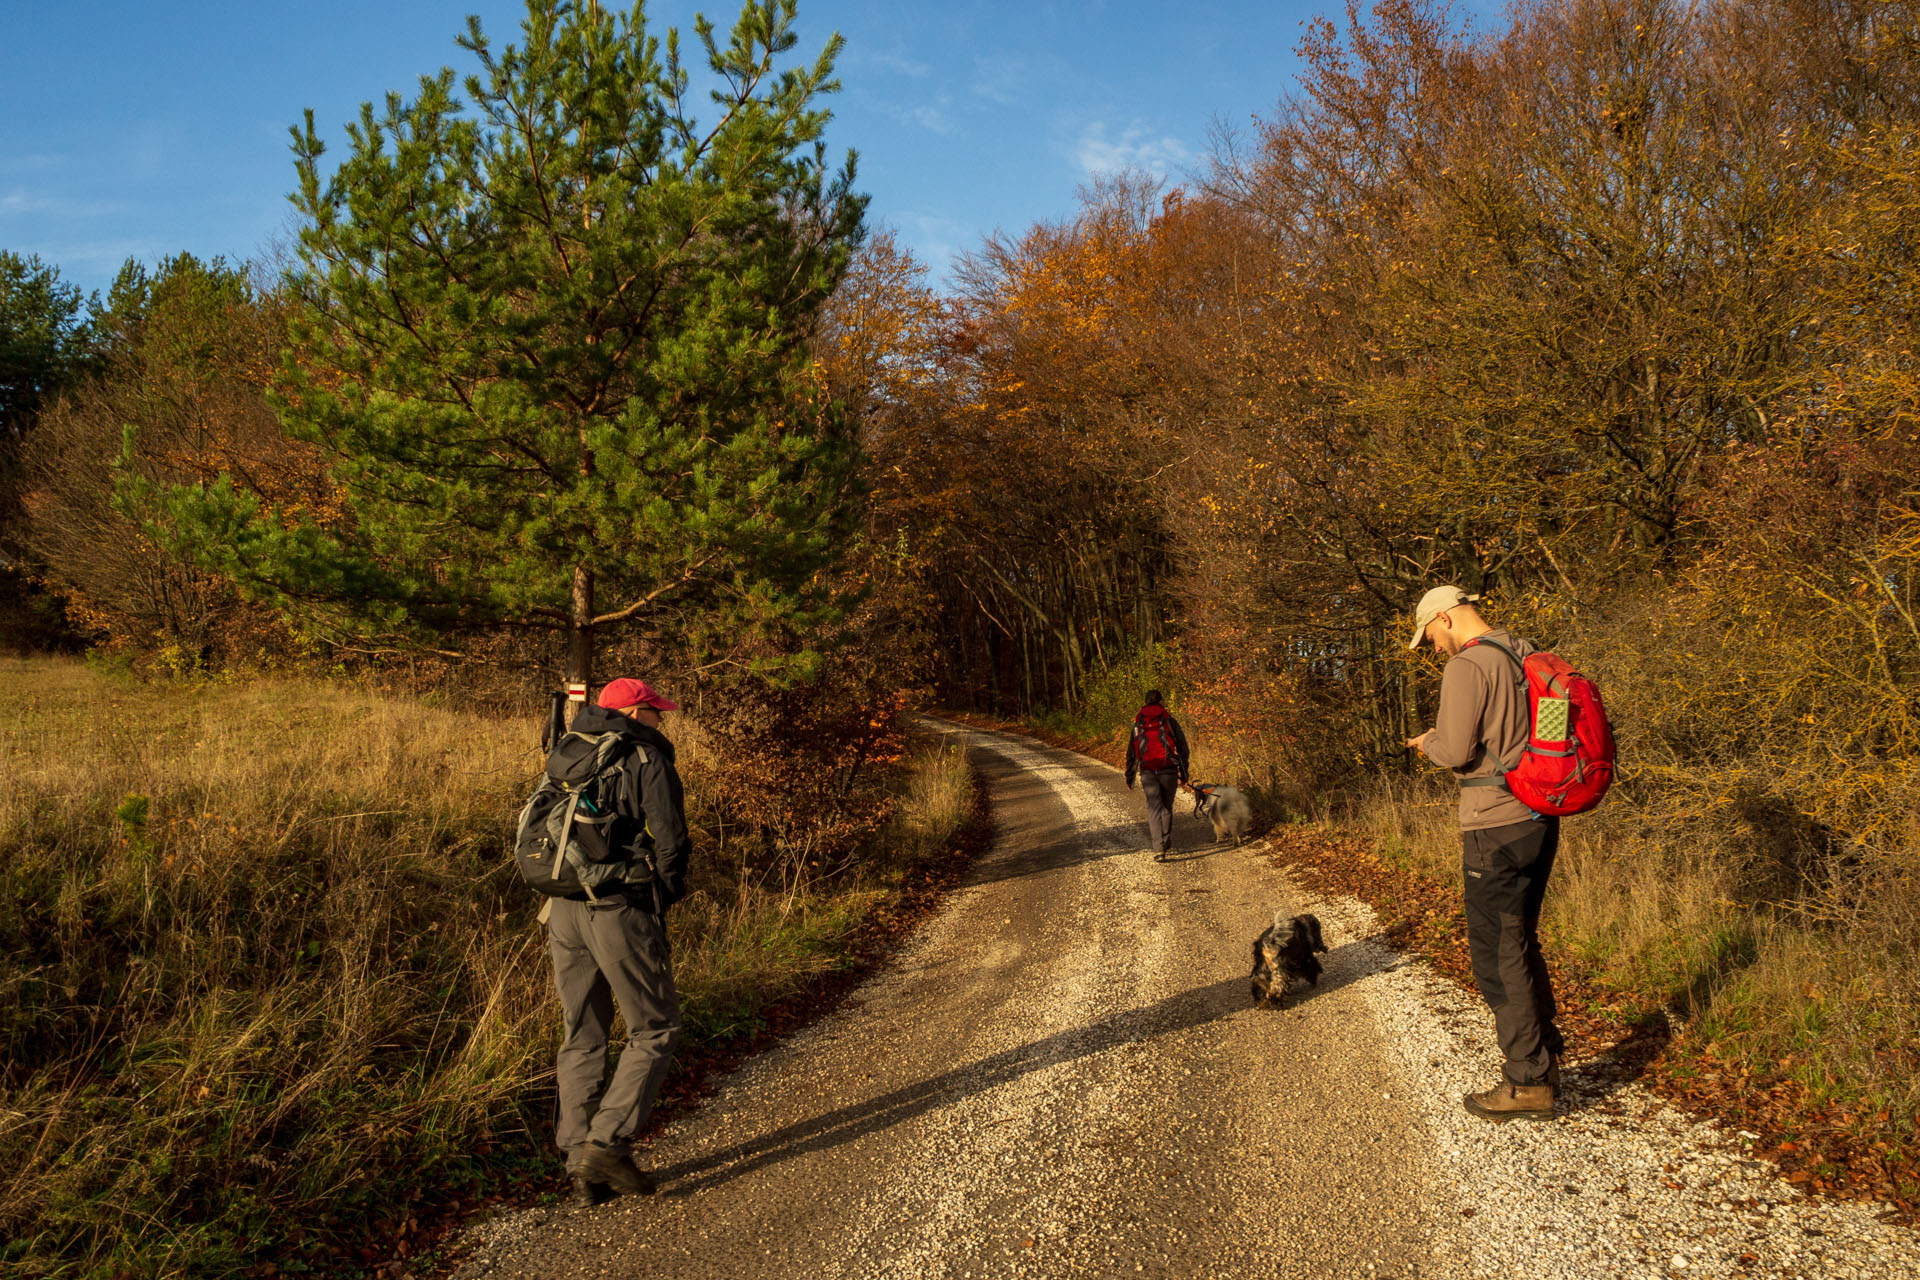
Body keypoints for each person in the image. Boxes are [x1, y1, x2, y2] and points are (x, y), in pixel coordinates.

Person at [1404, 586, 1566, 1122]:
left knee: (1497, 952)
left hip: (1493, 823)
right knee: (1521, 940)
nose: (1434, 649)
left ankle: (1527, 1082)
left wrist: (1427, 742)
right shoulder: (1528, 652)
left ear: (1446, 617)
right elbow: (1548, 736)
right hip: (1541, 815)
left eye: (1431, 637)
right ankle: (1547, 1060)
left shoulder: (1468, 667)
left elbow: (1454, 751)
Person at [548, 677, 691, 1203]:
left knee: (582, 1031)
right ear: (634, 711)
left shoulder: (569, 748)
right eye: (656, 709)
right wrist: (663, 896)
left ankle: (578, 1159)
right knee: (655, 1028)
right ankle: (606, 1145)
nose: (662, 719)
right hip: (618, 909)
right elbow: (671, 840)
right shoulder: (645, 758)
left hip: (563, 908)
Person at [1124, 689, 1190, 860]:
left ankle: (1158, 849)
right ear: (1161, 702)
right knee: (1166, 807)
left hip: (1147, 772)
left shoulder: (1138, 724)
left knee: (1154, 808)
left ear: (1145, 702)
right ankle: (1165, 840)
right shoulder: (1168, 721)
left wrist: (1129, 777)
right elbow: (1183, 747)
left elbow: (1132, 752)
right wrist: (1184, 773)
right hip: (1168, 770)